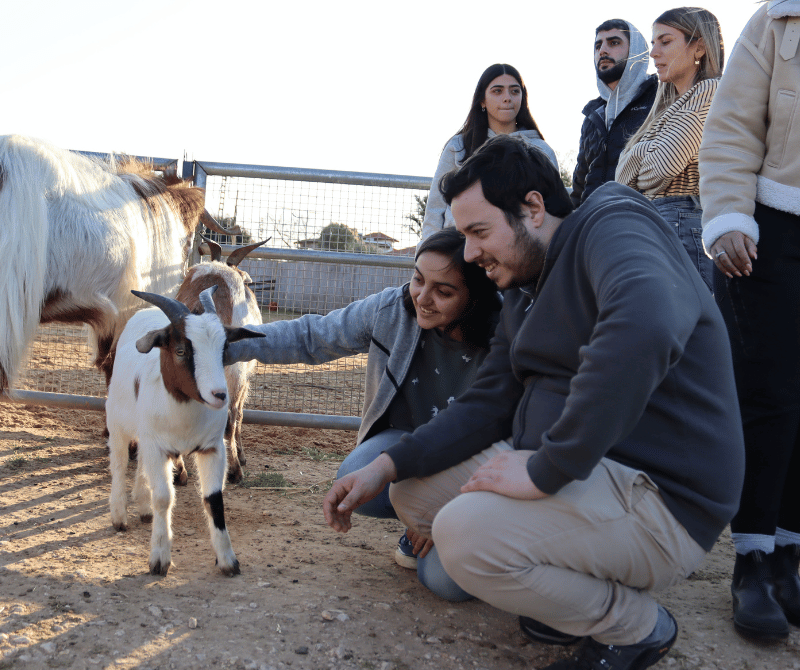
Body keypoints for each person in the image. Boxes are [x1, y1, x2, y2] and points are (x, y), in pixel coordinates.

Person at [323, 135, 745, 670]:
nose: (470, 254)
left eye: (479, 232)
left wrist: (549, 468)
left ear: (534, 209)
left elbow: (645, 324)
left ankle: (634, 628)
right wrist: (386, 464)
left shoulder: (613, 222)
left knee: (463, 534)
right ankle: (568, 596)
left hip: (660, 496)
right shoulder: (523, 287)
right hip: (590, 473)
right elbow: (488, 401)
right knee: (413, 492)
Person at [223, 228, 501, 600]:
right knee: (357, 477)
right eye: (418, 279)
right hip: (405, 448)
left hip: (471, 467)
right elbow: (312, 336)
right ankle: (415, 523)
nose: (423, 298)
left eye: (444, 291)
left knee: (445, 584)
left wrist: (442, 507)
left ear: (476, 297)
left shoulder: (506, 337)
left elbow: (507, 438)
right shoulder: (392, 309)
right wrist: (226, 343)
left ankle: (473, 532)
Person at [699, 0, 800, 641]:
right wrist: (731, 217)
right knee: (770, 395)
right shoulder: (778, 19)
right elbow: (732, 124)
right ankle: (754, 557)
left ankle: (791, 550)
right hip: (774, 232)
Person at [616, 7, 723, 293]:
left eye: (665, 41)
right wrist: (649, 151)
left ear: (698, 47)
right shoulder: (662, 110)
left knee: (690, 330)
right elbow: (621, 181)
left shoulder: (709, 91)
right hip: (652, 224)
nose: (653, 53)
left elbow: (659, 169)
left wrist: (638, 152)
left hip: (684, 222)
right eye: (652, 43)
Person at [420, 63, 557, 241]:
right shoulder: (459, 146)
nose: (507, 98)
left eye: (515, 91)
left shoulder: (541, 150)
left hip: (516, 251)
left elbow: (551, 209)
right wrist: (427, 253)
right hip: (458, 250)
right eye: (497, 91)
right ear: (482, 100)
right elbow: (435, 209)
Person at [570, 19, 658, 207]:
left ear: (635, 50)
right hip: (594, 224)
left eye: (614, 43)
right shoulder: (593, 115)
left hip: (644, 223)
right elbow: (579, 185)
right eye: (598, 45)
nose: (602, 51)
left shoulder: (660, 100)